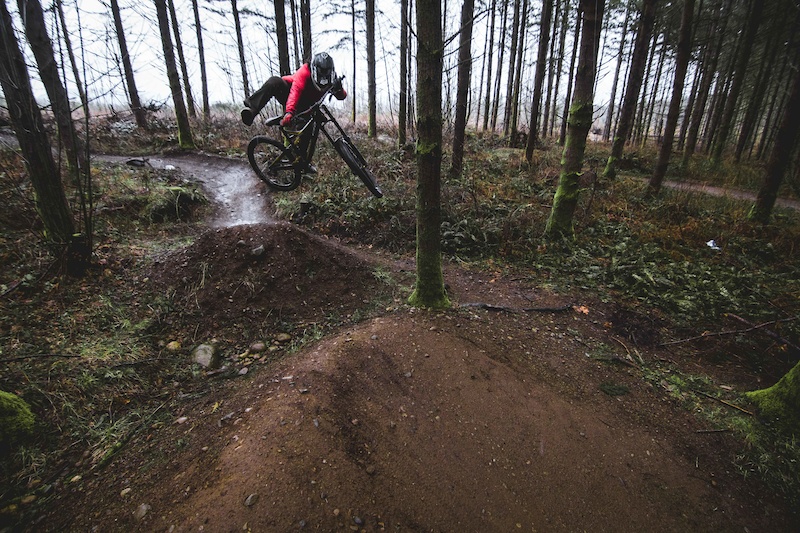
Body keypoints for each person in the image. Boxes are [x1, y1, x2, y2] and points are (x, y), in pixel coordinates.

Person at [240, 52, 346, 128]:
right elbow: (295, 91)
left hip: (308, 105)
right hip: (288, 93)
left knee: (305, 127)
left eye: (325, 74)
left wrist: (339, 88)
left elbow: (342, 96)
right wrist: (289, 112)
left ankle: (298, 156)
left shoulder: (332, 77)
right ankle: (252, 111)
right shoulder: (304, 72)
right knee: (274, 81)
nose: (323, 79)